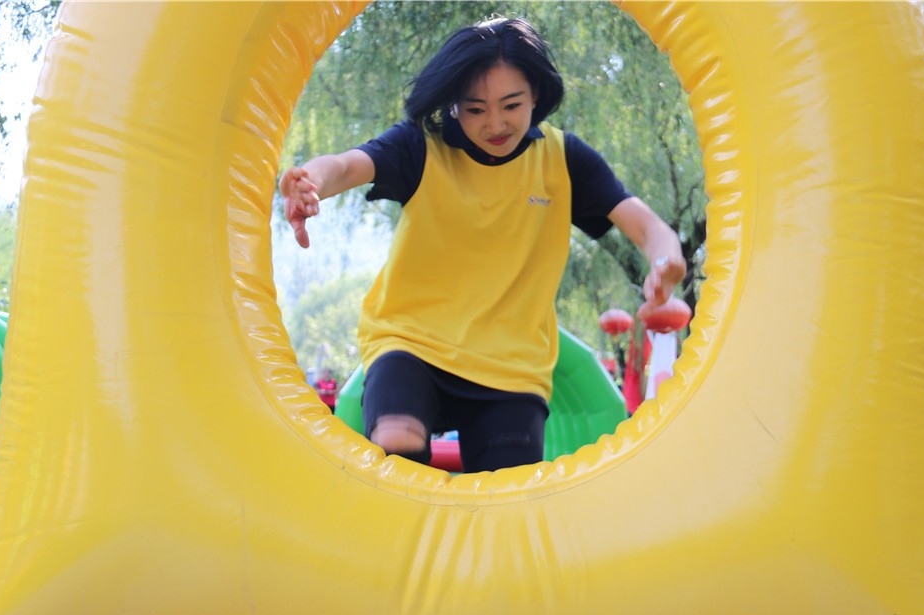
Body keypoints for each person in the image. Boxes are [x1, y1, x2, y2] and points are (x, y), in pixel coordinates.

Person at [279, 16, 685, 473]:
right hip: (412, 343)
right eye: (475, 109)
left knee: (504, 494)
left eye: (511, 105)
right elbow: (347, 166)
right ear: (452, 104)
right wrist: (310, 182)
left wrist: (666, 260)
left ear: (536, 94)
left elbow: (648, 227)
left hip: (512, 367)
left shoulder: (564, 160)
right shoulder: (422, 146)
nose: (495, 123)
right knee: (397, 441)